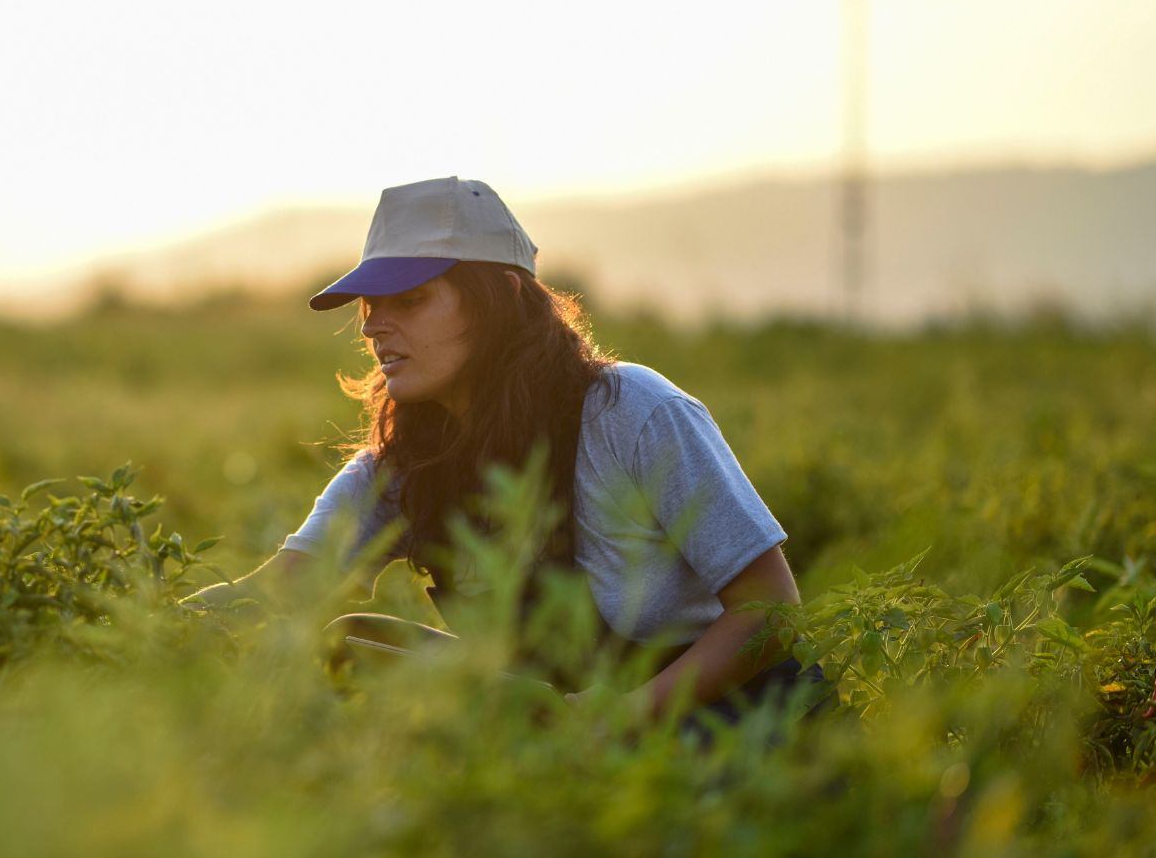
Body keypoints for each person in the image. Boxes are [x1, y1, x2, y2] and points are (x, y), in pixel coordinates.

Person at [181, 176, 828, 730]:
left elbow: (771, 611)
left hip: (737, 728)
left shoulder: (629, 410)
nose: (376, 325)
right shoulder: (405, 466)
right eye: (371, 305)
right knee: (353, 641)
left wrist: (618, 721)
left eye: (409, 300)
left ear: (502, 301)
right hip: (572, 742)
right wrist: (112, 621)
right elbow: (277, 589)